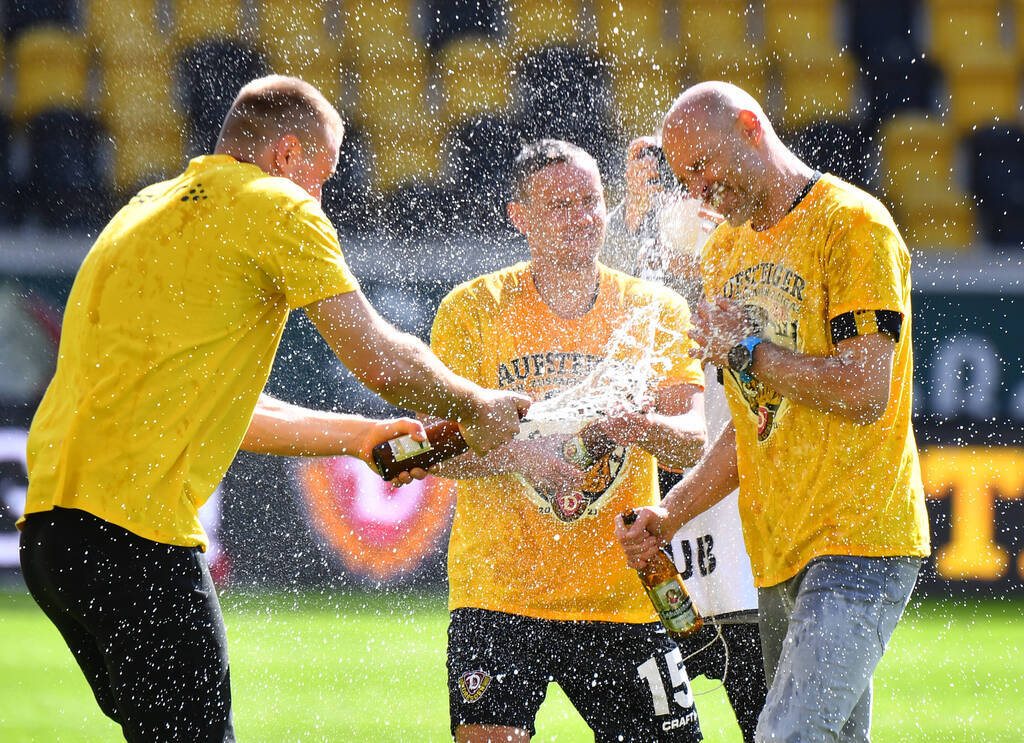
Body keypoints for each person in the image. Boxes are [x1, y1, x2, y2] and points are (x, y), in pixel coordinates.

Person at [17, 75, 528, 743]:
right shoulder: (278, 207)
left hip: (54, 541)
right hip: (138, 538)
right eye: (323, 175)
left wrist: (359, 434)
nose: (322, 196)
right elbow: (378, 357)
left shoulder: (144, 208)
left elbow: (227, 409)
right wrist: (477, 402)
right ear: (288, 154)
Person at [616, 81, 930, 743]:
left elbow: (865, 389)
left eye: (702, 166)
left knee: (784, 735)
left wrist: (750, 353)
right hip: (780, 554)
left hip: (859, 540)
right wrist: (671, 514)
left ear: (751, 127)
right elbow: (750, 426)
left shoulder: (852, 224)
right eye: (683, 177)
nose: (696, 190)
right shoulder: (725, 254)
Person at [431, 139, 708, 743]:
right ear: (519, 216)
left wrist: (641, 427)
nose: (581, 218)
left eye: (591, 201)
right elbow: (444, 449)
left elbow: (696, 443)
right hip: (499, 594)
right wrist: (530, 458)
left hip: (622, 594)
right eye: (559, 206)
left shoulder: (653, 309)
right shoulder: (473, 309)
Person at [603, 135, 767, 743]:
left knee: (768, 720)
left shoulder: (735, 268)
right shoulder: (633, 298)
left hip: (738, 544)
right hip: (660, 548)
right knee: (653, 730)